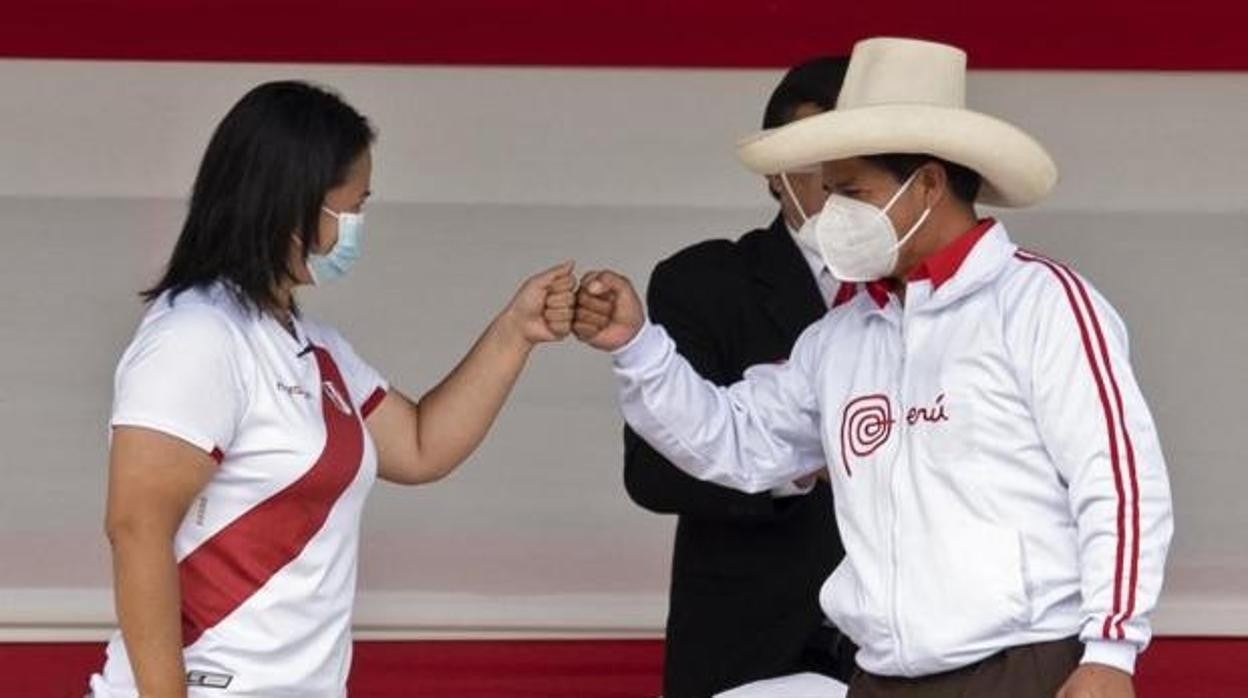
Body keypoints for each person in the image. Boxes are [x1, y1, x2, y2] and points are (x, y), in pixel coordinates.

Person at [573, 38, 1173, 698]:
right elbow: (736, 441)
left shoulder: (1039, 302)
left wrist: (1112, 650)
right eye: (827, 192)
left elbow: (1117, 477)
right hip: (881, 676)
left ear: (928, 184)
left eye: (852, 192)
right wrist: (638, 347)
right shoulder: (844, 334)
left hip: (1020, 665)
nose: (833, 213)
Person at [89, 81, 576, 697]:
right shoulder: (196, 337)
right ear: (292, 202)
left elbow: (422, 445)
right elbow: (136, 528)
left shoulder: (314, 347)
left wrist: (515, 332)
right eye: (353, 207)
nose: (357, 226)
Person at [622, 57, 856, 697]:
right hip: (752, 644)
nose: (840, 181)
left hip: (903, 648)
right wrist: (795, 466)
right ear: (776, 174)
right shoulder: (705, 282)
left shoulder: (925, 293)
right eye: (819, 161)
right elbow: (652, 471)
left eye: (858, 161)